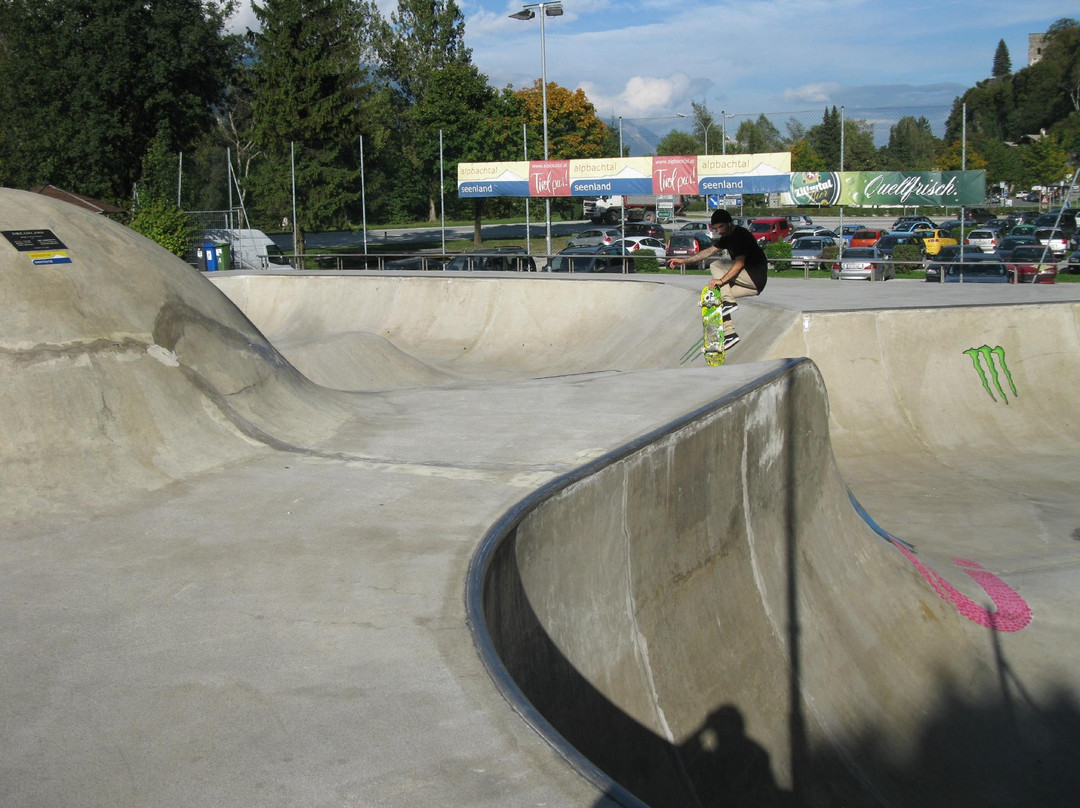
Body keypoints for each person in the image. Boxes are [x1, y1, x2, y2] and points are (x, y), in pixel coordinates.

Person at [668, 209, 767, 350]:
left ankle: (729, 302)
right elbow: (707, 252)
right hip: (753, 286)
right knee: (714, 297)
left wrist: (721, 281)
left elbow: (739, 264)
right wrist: (683, 261)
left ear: (729, 223)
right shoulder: (726, 237)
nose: (719, 231)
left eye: (721, 227)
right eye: (716, 228)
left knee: (716, 265)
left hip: (754, 275)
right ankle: (729, 334)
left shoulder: (740, 235)